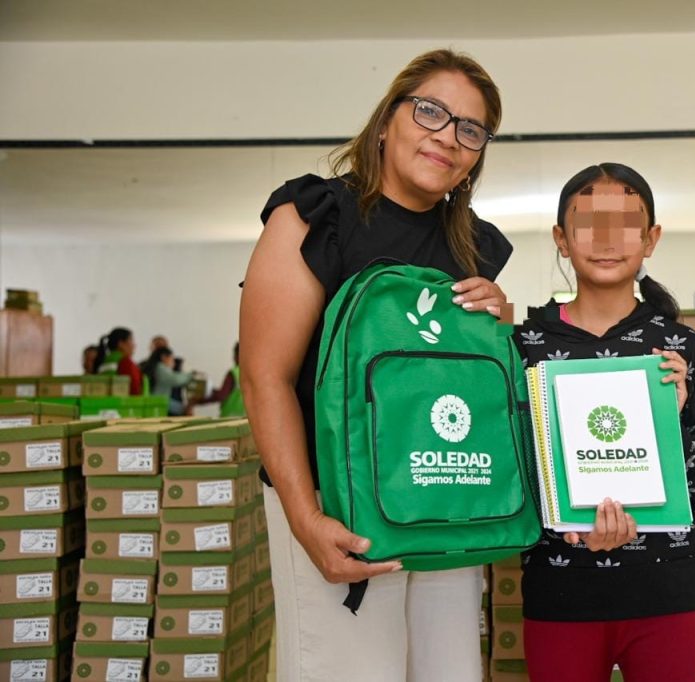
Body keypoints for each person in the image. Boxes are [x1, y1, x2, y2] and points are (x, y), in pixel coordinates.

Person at [239, 49, 511, 682]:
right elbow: (265, 377)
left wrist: (497, 322)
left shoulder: (472, 245)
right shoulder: (316, 217)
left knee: (448, 673)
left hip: (442, 495)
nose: (448, 136)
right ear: (387, 121)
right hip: (338, 504)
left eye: (470, 129)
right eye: (431, 112)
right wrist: (305, 519)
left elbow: (471, 392)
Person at [513, 163, 695, 682]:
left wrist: (671, 420)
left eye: (626, 224)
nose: (607, 240)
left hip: (667, 595)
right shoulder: (524, 348)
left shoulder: (682, 349)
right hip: (560, 593)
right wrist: (565, 525)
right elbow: (509, 478)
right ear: (561, 239)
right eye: (589, 223)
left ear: (650, 239)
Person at [194, 342, 246, 417]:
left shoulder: (234, 373)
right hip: (245, 419)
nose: (233, 358)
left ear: (238, 355)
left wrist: (197, 401)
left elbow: (221, 395)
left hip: (229, 418)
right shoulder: (253, 374)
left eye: (234, 354)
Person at [144, 346, 193, 415]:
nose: (173, 363)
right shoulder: (160, 368)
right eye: (172, 359)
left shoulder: (154, 367)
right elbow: (175, 379)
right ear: (164, 357)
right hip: (157, 403)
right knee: (186, 410)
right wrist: (191, 376)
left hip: (157, 402)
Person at [94, 327, 143, 395]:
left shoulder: (104, 360)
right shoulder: (124, 361)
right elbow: (135, 390)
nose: (134, 345)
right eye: (131, 340)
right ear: (121, 344)